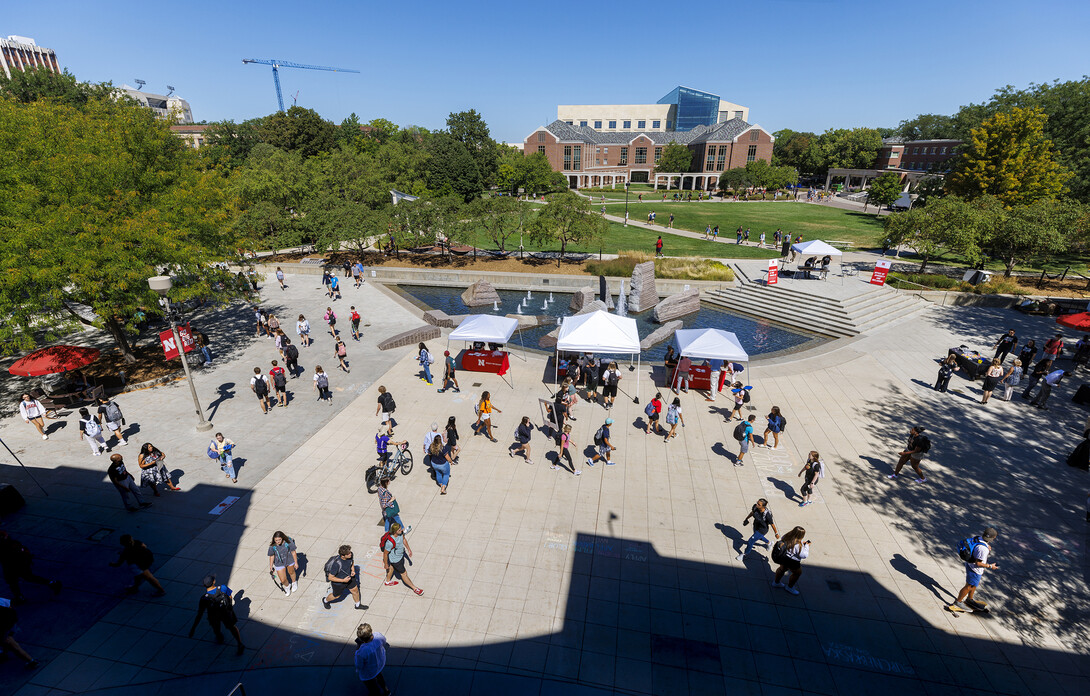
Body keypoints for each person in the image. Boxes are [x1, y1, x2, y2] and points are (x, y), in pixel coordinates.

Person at [188, 574, 245, 654]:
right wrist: (230, 607)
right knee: (232, 627)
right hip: (225, 613)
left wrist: (193, 628)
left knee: (216, 628)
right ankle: (239, 643)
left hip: (213, 616)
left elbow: (199, 614)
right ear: (214, 582)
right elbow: (230, 597)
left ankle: (220, 637)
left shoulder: (204, 598)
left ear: (204, 585)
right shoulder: (223, 588)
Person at [0, 530, 61, 604]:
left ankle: (20, 597)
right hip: (16, 564)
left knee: (16, 581)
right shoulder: (12, 543)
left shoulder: (8, 546)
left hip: (13, 565)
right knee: (24, 579)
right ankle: (52, 583)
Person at [947, 527, 999, 614]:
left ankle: (969, 600)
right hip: (975, 569)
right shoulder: (983, 549)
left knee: (974, 584)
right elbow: (978, 564)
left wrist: (987, 546)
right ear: (993, 538)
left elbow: (977, 546)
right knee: (969, 586)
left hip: (969, 564)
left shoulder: (978, 538)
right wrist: (990, 566)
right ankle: (958, 602)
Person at [381, 524, 423, 595]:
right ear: (395, 531)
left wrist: (409, 549)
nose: (402, 530)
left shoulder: (400, 534)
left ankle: (387, 582)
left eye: (401, 529)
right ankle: (415, 588)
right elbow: (385, 553)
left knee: (391, 568)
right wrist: (385, 564)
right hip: (396, 560)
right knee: (404, 574)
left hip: (398, 557)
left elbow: (403, 539)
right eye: (399, 530)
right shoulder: (390, 542)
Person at [323, 545, 366, 609]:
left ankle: (357, 605)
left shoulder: (350, 555)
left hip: (349, 578)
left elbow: (352, 562)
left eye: (350, 552)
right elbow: (330, 577)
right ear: (342, 556)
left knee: (355, 590)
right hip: (339, 583)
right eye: (348, 554)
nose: (350, 554)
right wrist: (343, 580)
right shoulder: (336, 564)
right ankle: (325, 601)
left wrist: (353, 570)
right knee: (336, 596)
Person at [771, 526, 810, 595]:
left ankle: (776, 582)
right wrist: (806, 546)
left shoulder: (786, 536)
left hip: (784, 557)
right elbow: (804, 555)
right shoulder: (798, 545)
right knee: (797, 573)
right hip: (793, 562)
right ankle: (790, 587)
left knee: (781, 569)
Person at [354, 623, 391, 696]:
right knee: (379, 675)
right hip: (380, 663)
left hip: (369, 670)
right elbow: (384, 641)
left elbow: (359, 665)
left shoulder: (362, 651)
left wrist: (358, 646)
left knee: (370, 684)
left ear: (361, 639)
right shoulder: (378, 636)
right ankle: (386, 690)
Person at [0, 602, 39, 669]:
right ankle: (4, 652)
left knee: (13, 646)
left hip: (3, 629)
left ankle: (31, 661)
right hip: (9, 625)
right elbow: (9, 607)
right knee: (10, 643)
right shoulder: (1, 601)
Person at [268, 531, 299, 596]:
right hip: (279, 563)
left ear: (282, 538)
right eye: (276, 540)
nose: (278, 542)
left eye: (279, 540)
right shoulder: (272, 546)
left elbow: (293, 552)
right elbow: (272, 556)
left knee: (291, 572)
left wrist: (296, 562)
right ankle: (287, 586)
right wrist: (271, 567)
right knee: (282, 580)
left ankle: (294, 582)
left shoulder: (288, 542)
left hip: (289, 560)